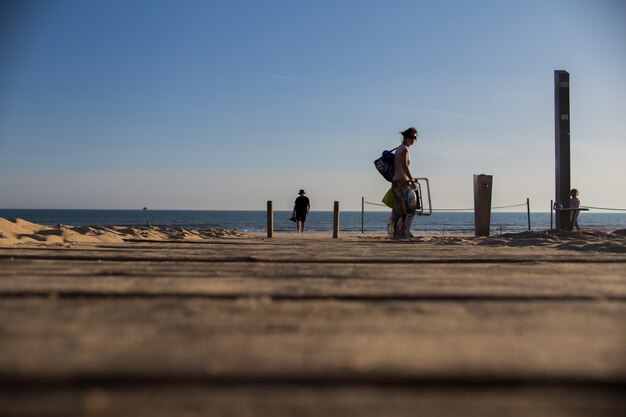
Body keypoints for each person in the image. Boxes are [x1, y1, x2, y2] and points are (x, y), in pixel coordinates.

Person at [388, 127, 419, 238]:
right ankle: (404, 231)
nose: (413, 139)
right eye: (411, 137)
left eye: (415, 137)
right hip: (401, 182)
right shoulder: (404, 149)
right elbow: (404, 166)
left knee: (400, 208)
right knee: (410, 208)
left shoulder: (400, 148)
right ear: (405, 137)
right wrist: (411, 181)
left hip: (397, 181)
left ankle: (397, 232)